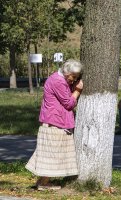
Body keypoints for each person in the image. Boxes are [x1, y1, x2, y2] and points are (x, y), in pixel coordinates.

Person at [26, 59, 83, 190]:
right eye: (73, 77)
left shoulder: (57, 78)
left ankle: (42, 182)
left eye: (76, 78)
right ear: (67, 72)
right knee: (53, 154)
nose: (73, 80)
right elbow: (68, 103)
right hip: (55, 122)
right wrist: (78, 91)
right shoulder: (58, 81)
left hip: (54, 121)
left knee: (51, 153)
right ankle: (44, 184)